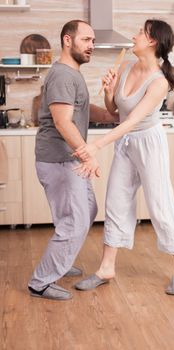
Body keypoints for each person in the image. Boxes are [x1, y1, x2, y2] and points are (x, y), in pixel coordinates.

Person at [73, 19, 174, 295]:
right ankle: (106, 268)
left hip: (148, 143)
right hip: (125, 143)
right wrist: (111, 91)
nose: (134, 35)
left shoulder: (159, 83)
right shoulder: (126, 66)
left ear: (152, 41)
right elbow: (116, 112)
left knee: (160, 203)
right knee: (115, 200)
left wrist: (96, 146)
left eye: (140, 32)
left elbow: (133, 121)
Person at [28, 20, 118, 300]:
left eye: (93, 41)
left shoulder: (72, 74)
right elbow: (62, 121)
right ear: (68, 40)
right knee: (75, 219)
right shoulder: (64, 75)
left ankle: (61, 261)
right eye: (86, 40)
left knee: (84, 212)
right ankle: (40, 282)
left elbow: (79, 108)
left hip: (66, 159)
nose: (91, 46)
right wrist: (87, 152)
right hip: (60, 160)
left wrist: (108, 113)